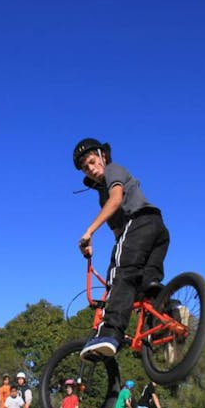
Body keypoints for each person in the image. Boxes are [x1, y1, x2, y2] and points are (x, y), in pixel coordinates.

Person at [72, 138, 170, 360]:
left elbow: (116, 200)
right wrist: (91, 246)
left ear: (103, 156)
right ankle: (167, 320)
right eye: (85, 168)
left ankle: (110, 332)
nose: (91, 169)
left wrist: (89, 232)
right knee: (147, 287)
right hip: (157, 229)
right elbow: (118, 234)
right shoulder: (101, 196)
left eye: (92, 162)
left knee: (120, 276)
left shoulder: (112, 171)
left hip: (140, 223)